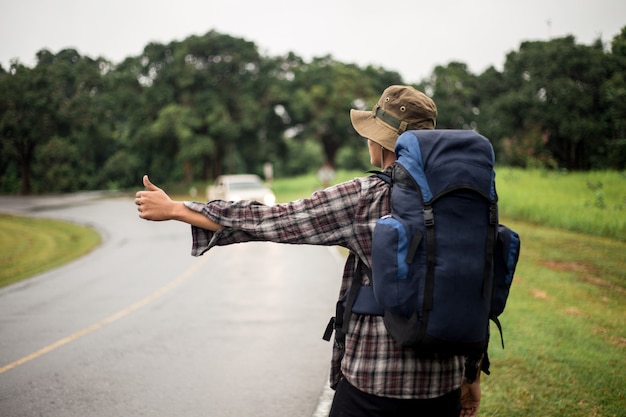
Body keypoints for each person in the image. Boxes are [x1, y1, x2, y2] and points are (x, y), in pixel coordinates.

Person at [135, 85, 482, 417]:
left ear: (381, 140)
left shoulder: (364, 197)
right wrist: (471, 376)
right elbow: (468, 290)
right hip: (443, 386)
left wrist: (179, 209)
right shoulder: (465, 200)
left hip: (374, 384)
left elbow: (274, 219)